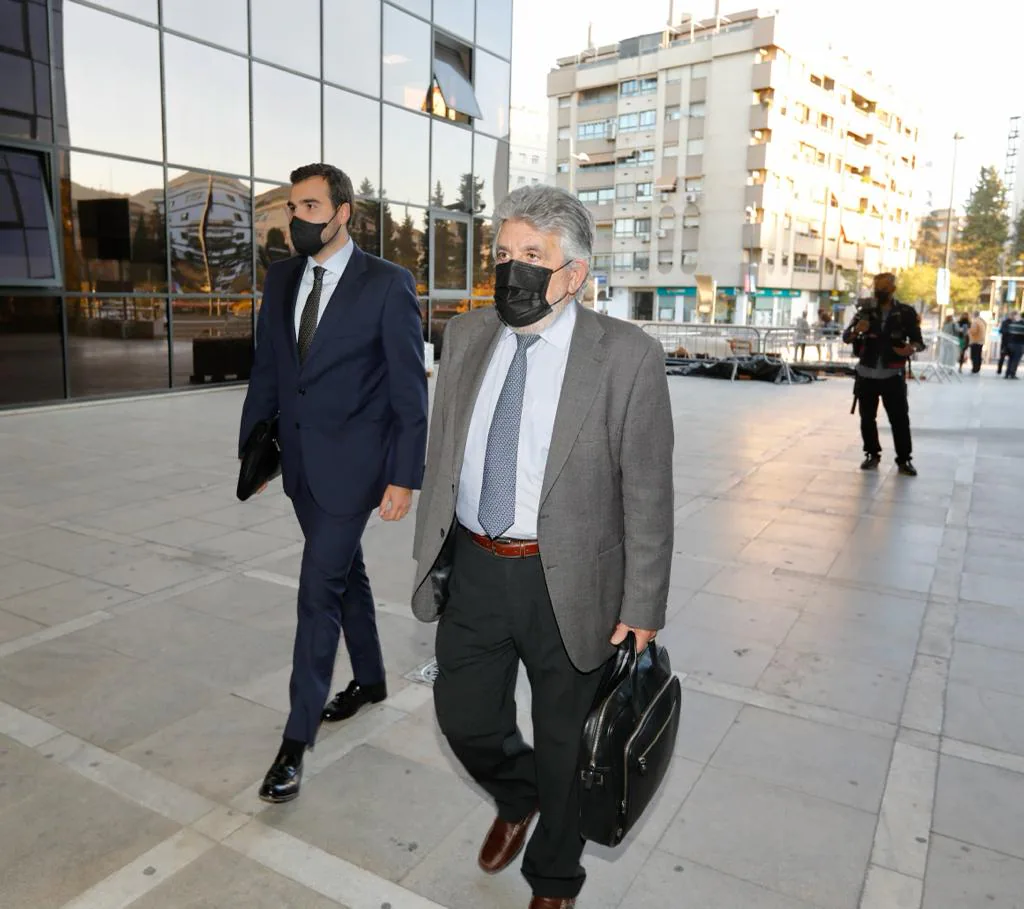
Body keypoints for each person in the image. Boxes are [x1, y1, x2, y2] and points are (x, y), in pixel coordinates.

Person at [410, 185, 674, 909]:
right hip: (474, 564)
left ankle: (555, 877)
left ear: (575, 273)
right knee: (463, 714)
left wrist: (642, 602)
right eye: (502, 253)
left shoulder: (627, 357)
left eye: (532, 255)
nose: (510, 269)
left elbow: (649, 490)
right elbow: (447, 446)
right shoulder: (465, 336)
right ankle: (517, 792)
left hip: (571, 582)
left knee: (565, 740)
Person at [238, 163, 428, 803]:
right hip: (297, 463)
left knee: (315, 592)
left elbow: (409, 388)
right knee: (345, 574)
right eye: (293, 207)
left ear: (343, 212)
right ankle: (371, 679)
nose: (298, 219)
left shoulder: (387, 284)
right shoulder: (284, 276)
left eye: (312, 206)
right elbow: (269, 368)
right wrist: (255, 456)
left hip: (356, 468)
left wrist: (404, 476)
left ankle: (293, 743)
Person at [843, 272, 925, 476]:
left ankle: (904, 459)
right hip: (866, 374)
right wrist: (857, 331)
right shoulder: (865, 311)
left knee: (899, 419)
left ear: (893, 289)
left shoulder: (905, 312)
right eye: (877, 287)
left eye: (884, 288)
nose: (879, 291)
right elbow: (846, 337)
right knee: (867, 418)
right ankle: (872, 454)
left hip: (892, 374)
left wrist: (910, 349)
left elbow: (918, 341)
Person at [1004, 311, 1024, 379]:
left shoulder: (1011, 324)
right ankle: (1012, 374)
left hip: (1010, 344)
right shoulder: (1022, 324)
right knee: (1016, 360)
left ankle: (1007, 373)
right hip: (1019, 345)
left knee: (1010, 359)